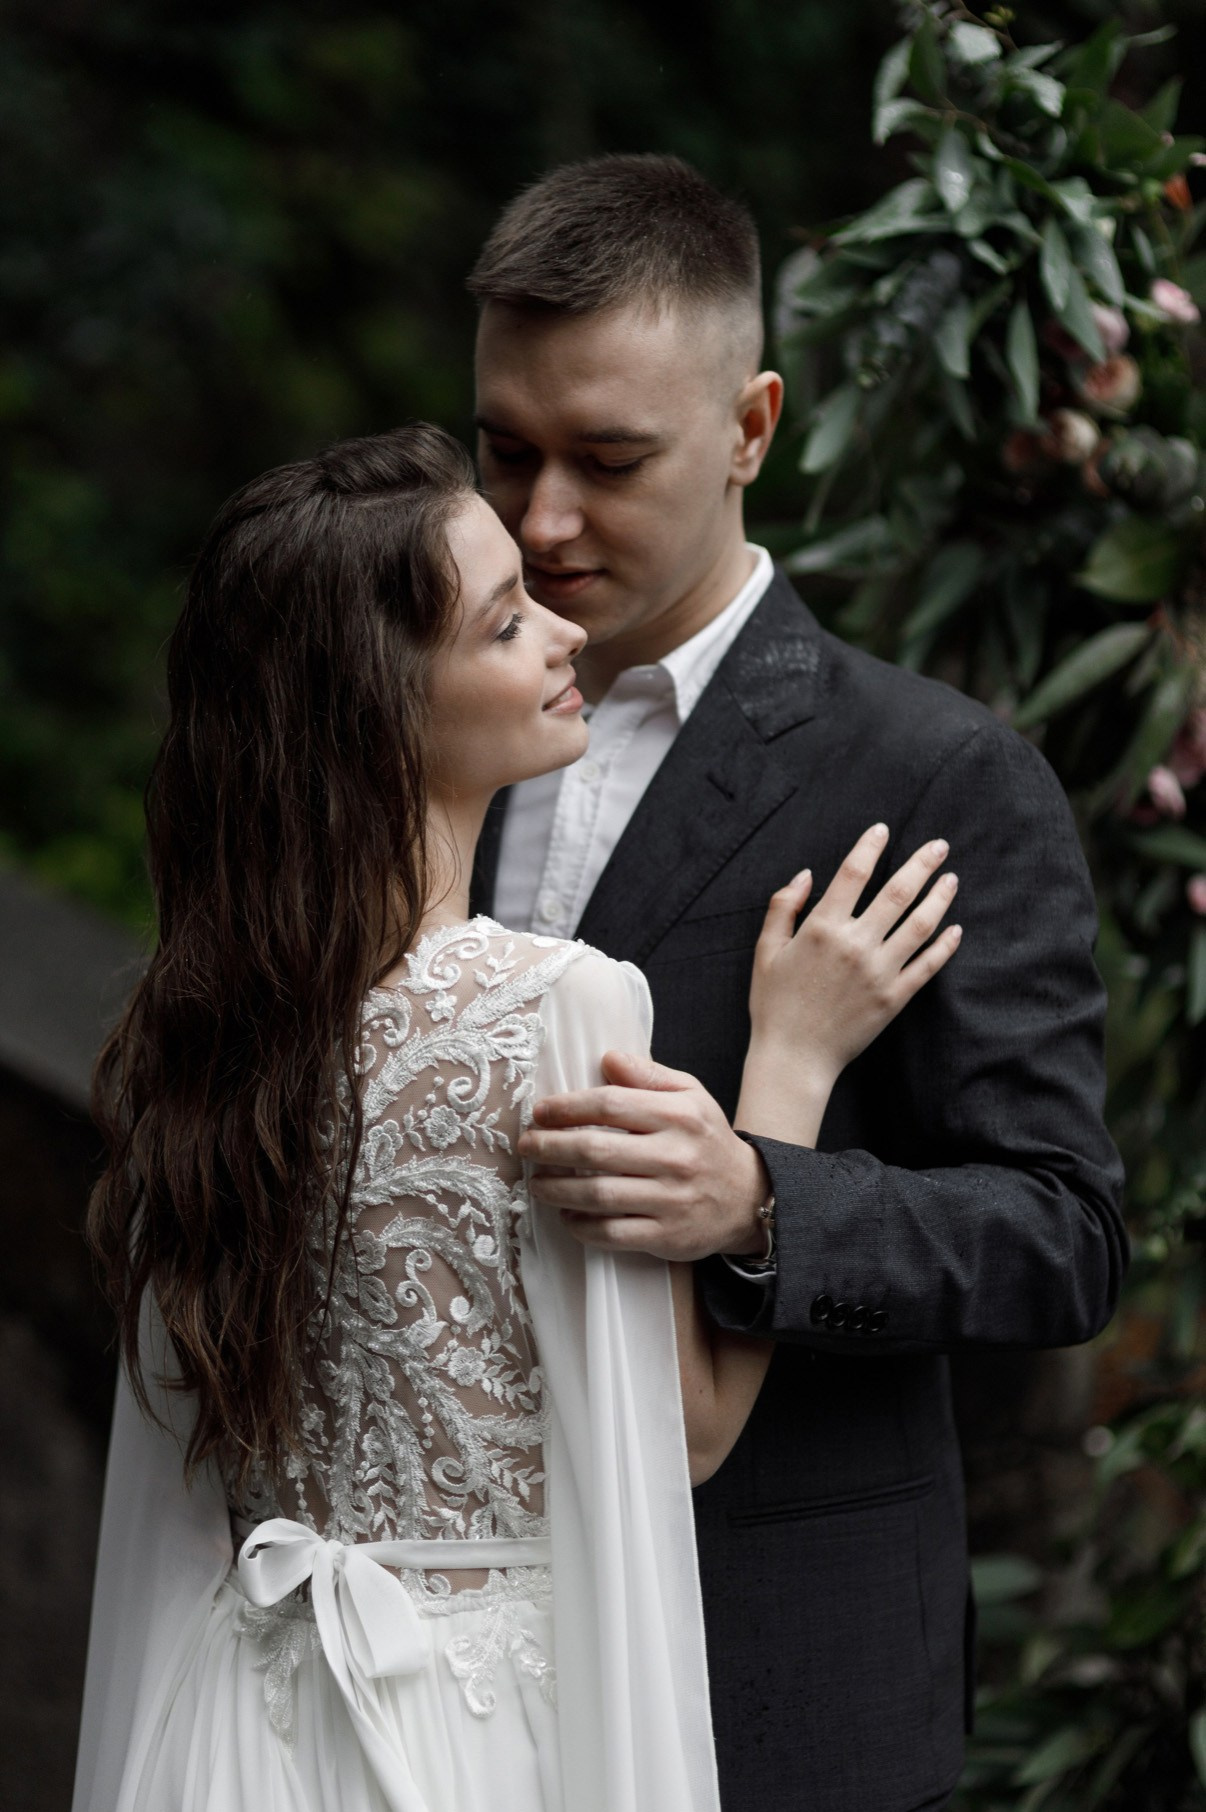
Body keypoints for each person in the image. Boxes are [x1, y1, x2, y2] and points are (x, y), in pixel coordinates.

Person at [73, 424, 961, 1812]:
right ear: (383, 706)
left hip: (227, 1726)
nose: (561, 636)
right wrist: (789, 1058)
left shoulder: (204, 1032)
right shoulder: (551, 1005)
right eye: (503, 626)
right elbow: (682, 1430)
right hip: (460, 1738)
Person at [467, 154, 1127, 1812]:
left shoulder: (940, 774)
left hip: (773, 1664)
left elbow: (1062, 1234)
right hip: (445, 1664)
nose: (541, 522)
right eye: (505, 452)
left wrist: (763, 1201)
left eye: (607, 462)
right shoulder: (419, 721)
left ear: (752, 428)